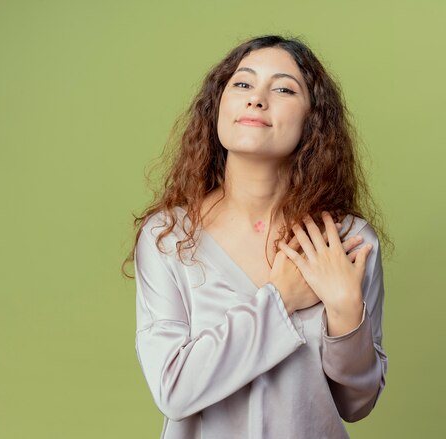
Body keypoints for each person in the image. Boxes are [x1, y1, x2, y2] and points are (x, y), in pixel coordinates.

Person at [122, 34, 393, 439]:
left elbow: (356, 403)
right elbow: (174, 388)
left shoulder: (347, 240)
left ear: (312, 118)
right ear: (219, 104)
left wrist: (346, 314)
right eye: (243, 84)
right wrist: (280, 300)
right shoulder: (169, 238)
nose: (257, 99)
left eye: (283, 88)